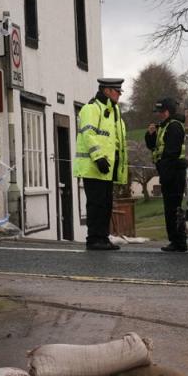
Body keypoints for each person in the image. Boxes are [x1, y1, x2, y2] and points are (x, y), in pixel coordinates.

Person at [74, 78, 129, 250]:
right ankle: (94, 239)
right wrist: (98, 157)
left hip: (108, 168)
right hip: (93, 166)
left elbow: (117, 142)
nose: (119, 94)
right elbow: (88, 134)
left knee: (105, 204)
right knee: (96, 204)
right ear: (106, 91)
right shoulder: (92, 108)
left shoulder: (114, 113)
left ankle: (103, 237)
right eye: (116, 91)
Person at [145, 96, 188, 252]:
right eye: (158, 111)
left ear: (169, 111)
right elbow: (154, 147)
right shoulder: (164, 126)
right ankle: (175, 241)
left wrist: (165, 173)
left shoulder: (174, 126)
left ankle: (179, 241)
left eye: (162, 111)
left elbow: (171, 152)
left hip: (174, 172)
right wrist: (150, 135)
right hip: (169, 171)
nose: (159, 114)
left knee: (173, 208)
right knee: (170, 208)